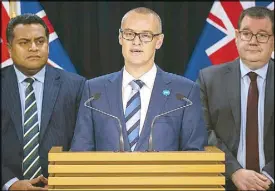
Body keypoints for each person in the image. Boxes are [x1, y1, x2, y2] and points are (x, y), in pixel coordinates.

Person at [70, 7, 207, 152]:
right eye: (129, 34)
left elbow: (194, 152)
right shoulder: (94, 90)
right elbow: (81, 150)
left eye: (146, 35)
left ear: (159, 41)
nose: (136, 41)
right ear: (120, 37)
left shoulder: (184, 92)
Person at [1, 14, 86, 190]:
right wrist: (11, 183)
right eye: (24, 42)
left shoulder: (76, 86)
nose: (33, 48)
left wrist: (62, 180)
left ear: (48, 44)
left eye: (40, 41)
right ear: (9, 48)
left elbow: (84, 141)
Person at [197, 6, 274, 191]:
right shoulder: (209, 79)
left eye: (262, 35)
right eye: (247, 33)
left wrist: (268, 176)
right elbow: (202, 131)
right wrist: (234, 171)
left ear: (273, 41)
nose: (253, 41)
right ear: (237, 37)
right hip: (223, 182)